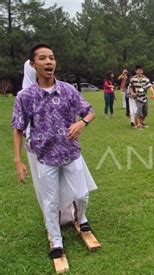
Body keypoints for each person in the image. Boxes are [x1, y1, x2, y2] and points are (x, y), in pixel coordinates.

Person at [12, 43, 97, 259]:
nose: (48, 62)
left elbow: (89, 112)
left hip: (70, 152)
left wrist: (81, 124)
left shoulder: (68, 89)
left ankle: (81, 217)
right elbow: (18, 128)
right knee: (50, 201)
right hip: (45, 156)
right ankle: (56, 240)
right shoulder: (25, 96)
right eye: (42, 58)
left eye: (51, 57)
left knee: (82, 193)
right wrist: (18, 161)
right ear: (33, 65)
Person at [129, 65, 154, 130]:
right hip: (138, 98)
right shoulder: (132, 79)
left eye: (141, 70)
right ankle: (138, 125)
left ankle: (140, 123)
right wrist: (132, 93)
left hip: (144, 98)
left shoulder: (146, 79)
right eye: (138, 70)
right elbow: (130, 87)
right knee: (139, 111)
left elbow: (150, 87)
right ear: (136, 71)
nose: (140, 72)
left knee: (145, 113)